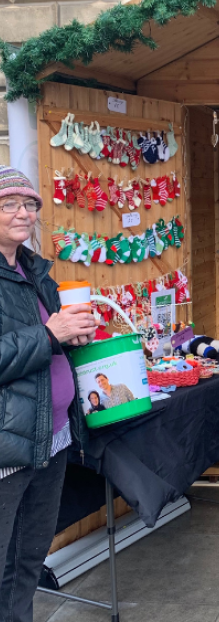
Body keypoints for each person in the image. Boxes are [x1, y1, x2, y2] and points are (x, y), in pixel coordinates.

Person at [0, 166, 96, 622]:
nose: (23, 213)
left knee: (27, 561)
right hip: (7, 448)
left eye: (30, 204)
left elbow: (49, 338)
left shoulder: (35, 270)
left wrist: (73, 335)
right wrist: (49, 333)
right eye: (9, 204)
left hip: (51, 438)